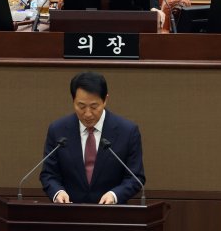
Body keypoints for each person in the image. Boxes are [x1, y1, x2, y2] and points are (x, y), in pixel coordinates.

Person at [39, 71, 144, 204]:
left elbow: (136, 177)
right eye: (81, 106)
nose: (87, 114)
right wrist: (57, 192)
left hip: (112, 216)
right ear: (73, 101)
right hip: (69, 214)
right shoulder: (58, 130)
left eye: (94, 106)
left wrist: (115, 195)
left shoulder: (127, 131)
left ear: (105, 100)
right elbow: (48, 174)